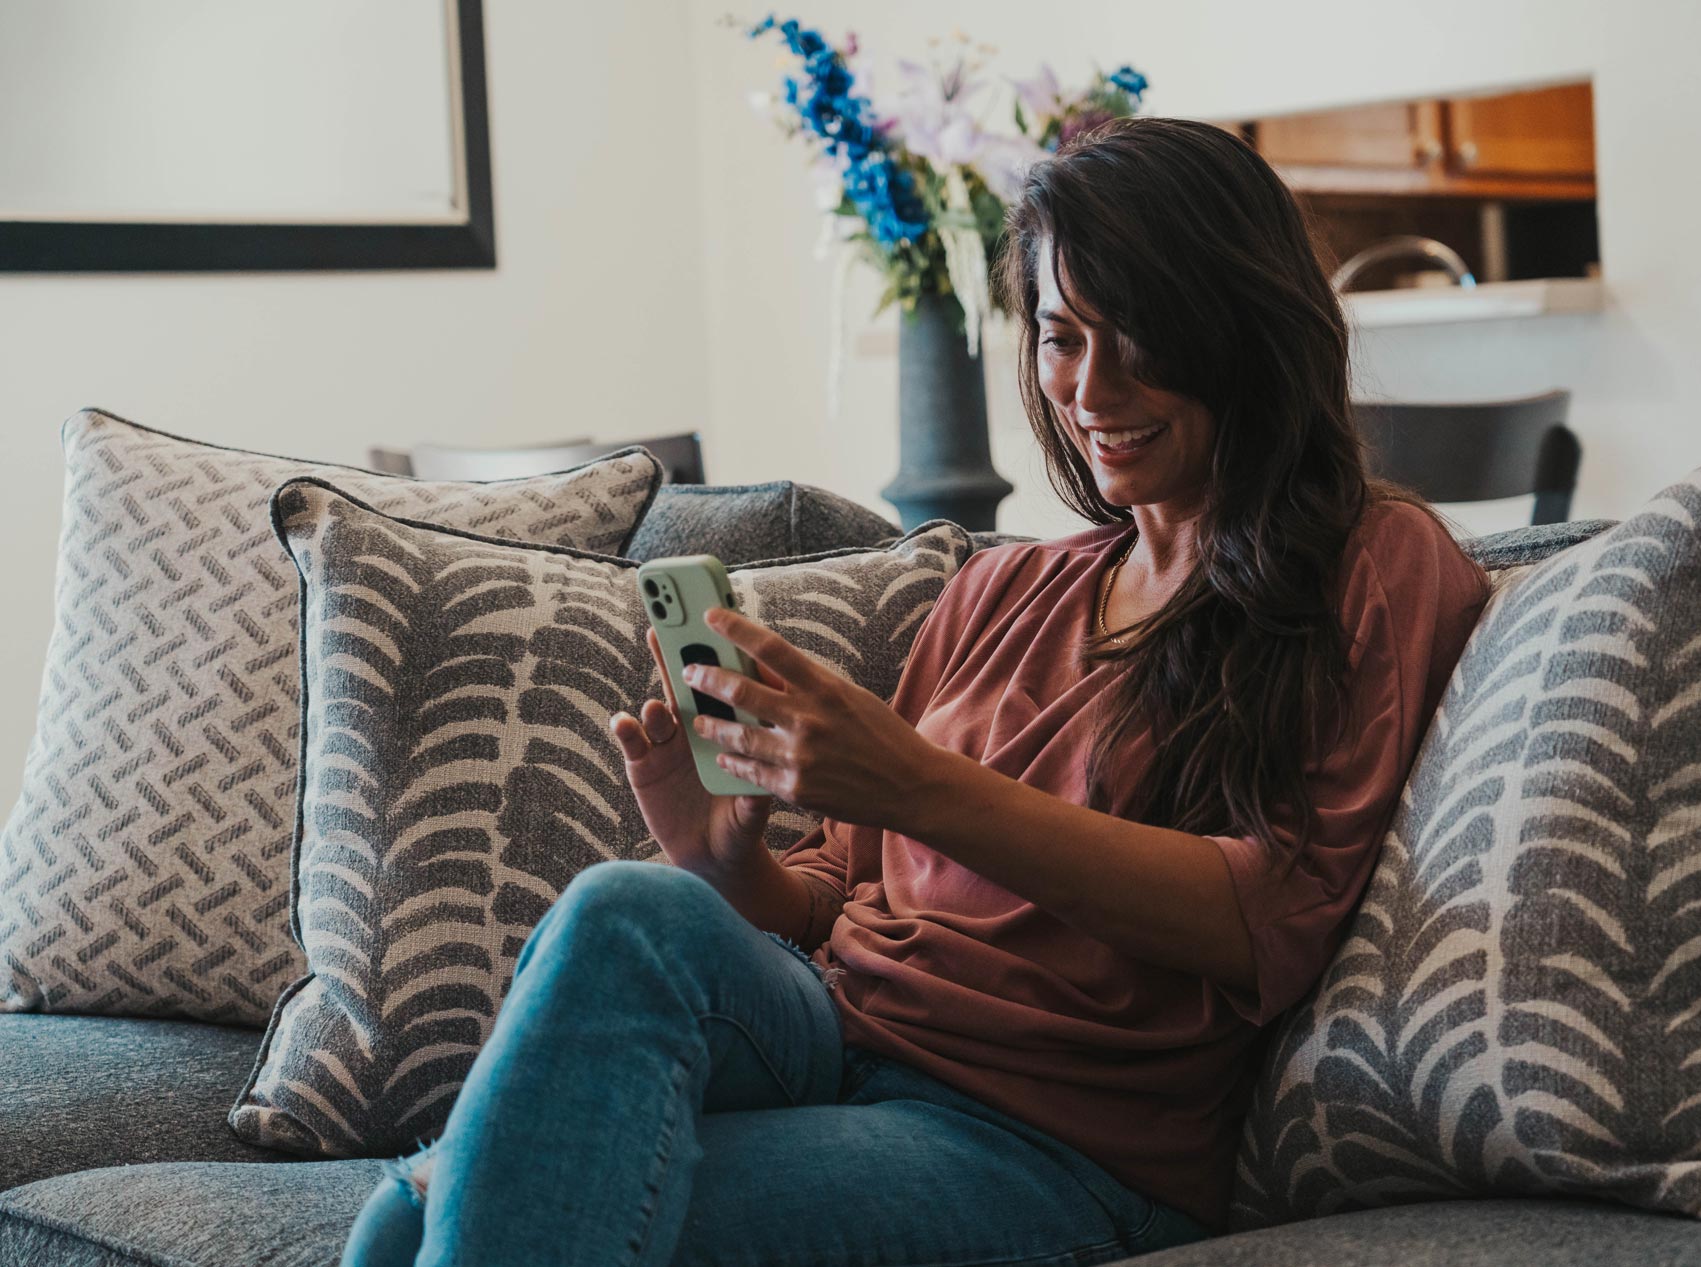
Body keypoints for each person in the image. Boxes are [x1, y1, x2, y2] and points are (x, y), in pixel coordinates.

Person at [340, 115, 1492, 1267]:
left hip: (1054, 1145)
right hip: (836, 1033)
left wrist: (919, 784)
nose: (1089, 387)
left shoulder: (1368, 562)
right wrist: (729, 865)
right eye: (1058, 335)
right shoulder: (1005, 590)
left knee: (414, 1227)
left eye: (1135, 335)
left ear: (1239, 328)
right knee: (627, 909)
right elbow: (838, 901)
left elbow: (1269, 919)